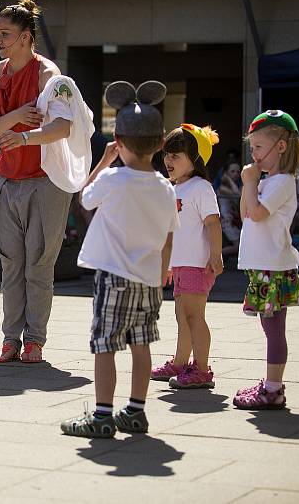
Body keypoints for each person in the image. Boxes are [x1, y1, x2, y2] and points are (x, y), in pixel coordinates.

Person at [61, 81, 177, 438]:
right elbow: (169, 236)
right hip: (148, 279)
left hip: (113, 277)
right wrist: (162, 275)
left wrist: (105, 160)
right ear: (160, 145)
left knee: (105, 346)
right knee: (141, 344)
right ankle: (136, 411)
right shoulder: (165, 186)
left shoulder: (112, 178)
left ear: (119, 142)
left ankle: (101, 416)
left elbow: (84, 198)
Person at [0, 0, 92, 364]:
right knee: (11, 263)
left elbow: (63, 127)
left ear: (26, 36)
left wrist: (25, 136)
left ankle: (35, 341)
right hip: (8, 177)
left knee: (39, 264)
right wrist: (15, 117)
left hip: (46, 180)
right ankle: (10, 339)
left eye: (6, 34)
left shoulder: (50, 75)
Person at [233, 110, 299, 409]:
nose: (254, 154)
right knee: (269, 326)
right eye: (252, 148)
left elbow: (259, 213)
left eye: (259, 147)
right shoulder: (268, 181)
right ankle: (271, 383)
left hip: (272, 267)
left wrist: (251, 183)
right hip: (263, 267)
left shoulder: (282, 182)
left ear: (281, 147)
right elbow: (244, 214)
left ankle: (274, 389)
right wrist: (249, 182)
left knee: (274, 328)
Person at [150, 124, 223, 389]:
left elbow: (213, 223)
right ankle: (181, 363)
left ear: (195, 160)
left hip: (197, 265)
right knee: (183, 317)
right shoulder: (175, 188)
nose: (168, 160)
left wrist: (216, 253)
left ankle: (202, 369)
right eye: (167, 154)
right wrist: (169, 264)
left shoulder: (200, 187)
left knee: (194, 317)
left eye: (176, 155)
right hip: (182, 266)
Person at [216, 160, 243, 258]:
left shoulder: (238, 186)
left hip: (234, 220)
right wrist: (229, 180)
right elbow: (238, 195)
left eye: (238, 171)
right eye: (232, 171)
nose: (236, 174)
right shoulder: (223, 188)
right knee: (238, 246)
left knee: (241, 244)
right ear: (226, 173)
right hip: (227, 220)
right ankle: (214, 256)